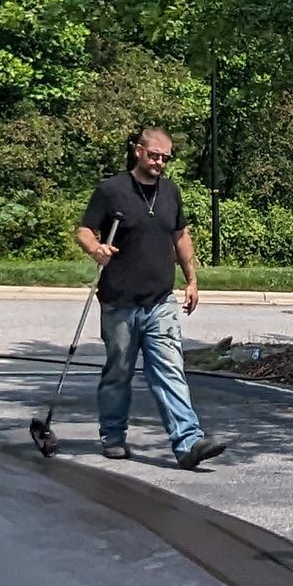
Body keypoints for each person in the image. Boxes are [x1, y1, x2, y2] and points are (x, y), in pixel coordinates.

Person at [77, 125, 229, 468]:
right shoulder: (111, 190)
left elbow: (181, 237)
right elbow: (84, 230)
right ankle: (112, 435)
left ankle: (188, 443)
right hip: (119, 302)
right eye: (154, 155)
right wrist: (95, 249)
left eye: (165, 157)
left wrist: (192, 280)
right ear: (138, 151)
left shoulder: (171, 193)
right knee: (119, 371)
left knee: (170, 370)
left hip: (160, 301)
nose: (159, 162)